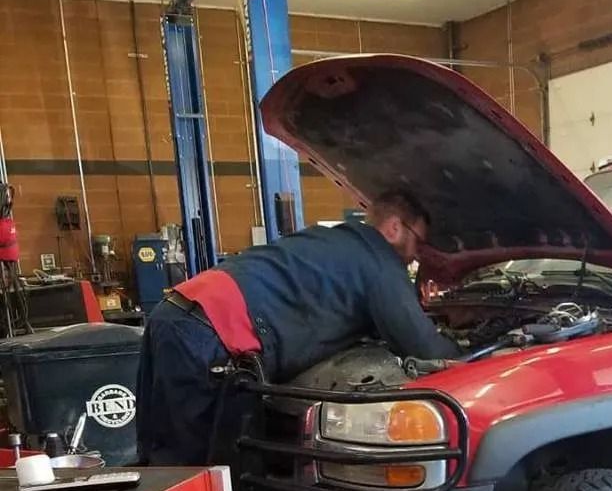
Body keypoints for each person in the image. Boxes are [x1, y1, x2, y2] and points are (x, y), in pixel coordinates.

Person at [136, 190, 459, 466]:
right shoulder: (380, 261)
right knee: (204, 468)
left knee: (161, 454)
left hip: (175, 312)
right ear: (393, 227)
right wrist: (466, 350)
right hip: (211, 331)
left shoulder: (334, 240)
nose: (416, 254)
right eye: (417, 241)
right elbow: (421, 346)